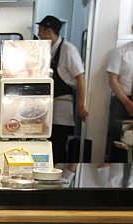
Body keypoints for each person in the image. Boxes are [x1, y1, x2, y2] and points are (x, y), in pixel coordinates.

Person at [37, 15, 88, 164]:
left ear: (49, 31)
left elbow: (80, 77)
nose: (39, 34)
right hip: (48, 105)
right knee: (47, 143)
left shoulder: (68, 49)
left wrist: (81, 105)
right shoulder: (47, 49)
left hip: (62, 105)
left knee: (57, 145)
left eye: (41, 30)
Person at [106, 38, 133, 162]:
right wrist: (127, 103)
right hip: (121, 101)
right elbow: (113, 80)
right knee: (118, 141)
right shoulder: (120, 52)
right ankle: (115, 179)